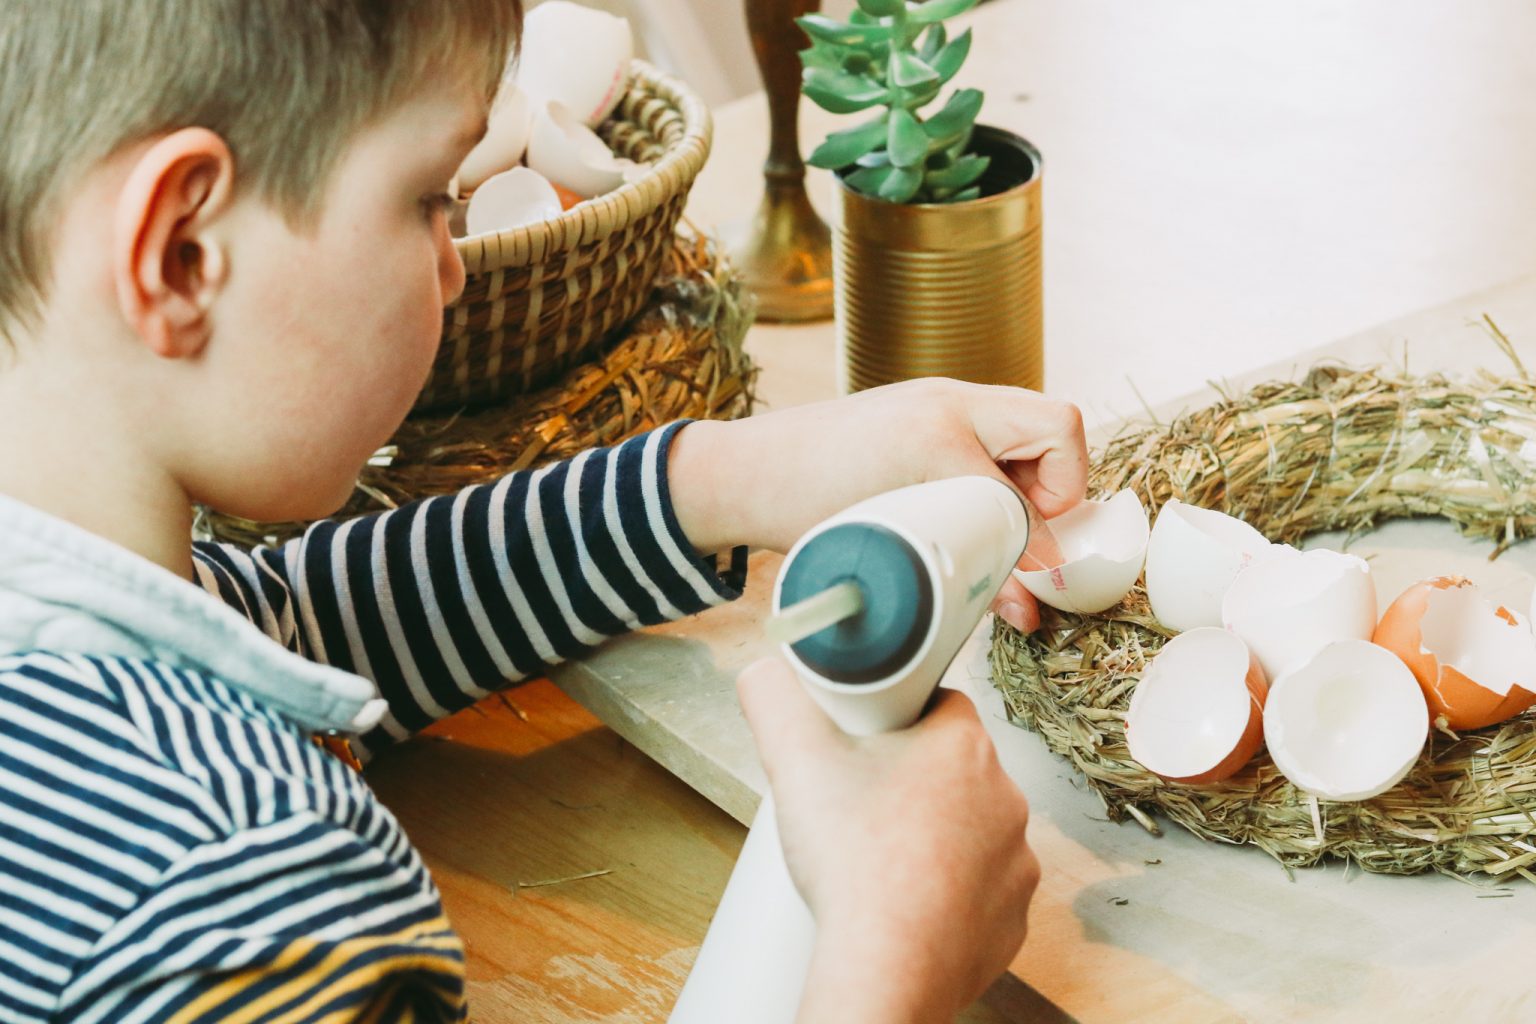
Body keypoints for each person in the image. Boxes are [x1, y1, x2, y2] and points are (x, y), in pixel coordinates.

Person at [0, 2, 1086, 1021]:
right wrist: (889, 967)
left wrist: (724, 479)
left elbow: (285, 615)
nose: (456, 272)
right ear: (183, 252)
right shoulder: (249, 903)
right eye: (431, 197)